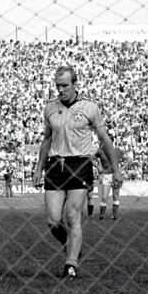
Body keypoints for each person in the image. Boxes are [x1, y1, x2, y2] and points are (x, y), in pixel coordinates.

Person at [33, 65, 122, 278]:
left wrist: (116, 170)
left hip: (79, 165)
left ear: (75, 84)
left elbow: (105, 140)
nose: (60, 89)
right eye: (57, 86)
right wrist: (38, 169)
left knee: (73, 215)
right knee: (53, 220)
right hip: (55, 165)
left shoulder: (89, 108)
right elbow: (46, 140)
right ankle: (72, 244)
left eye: (64, 85)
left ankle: (71, 263)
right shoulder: (50, 108)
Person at [93, 141, 124, 220]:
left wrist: (121, 169)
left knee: (115, 196)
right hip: (106, 175)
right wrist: (98, 166)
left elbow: (129, 159)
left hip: (115, 175)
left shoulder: (117, 150)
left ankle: (114, 216)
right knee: (104, 196)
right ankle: (102, 216)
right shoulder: (100, 151)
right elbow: (91, 158)